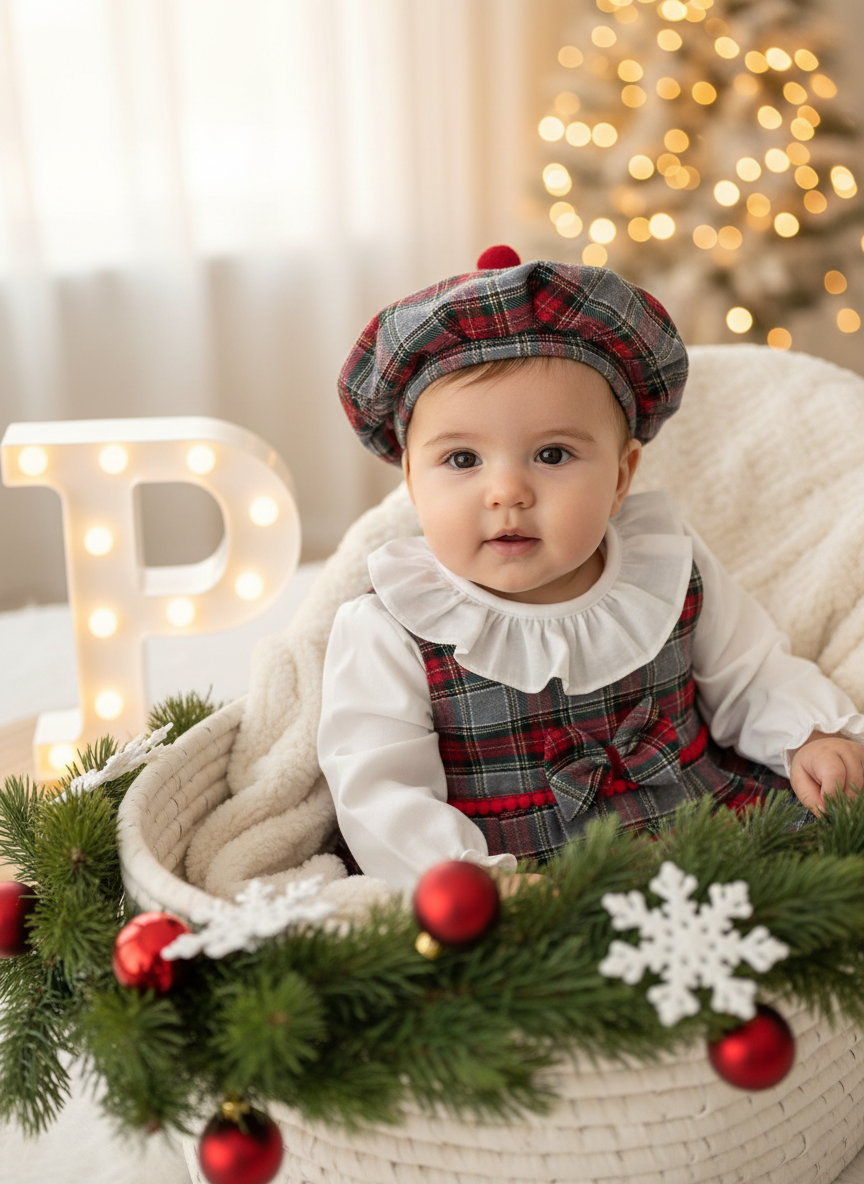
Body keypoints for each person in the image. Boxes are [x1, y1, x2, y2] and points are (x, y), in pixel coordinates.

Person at [317, 249, 864, 891]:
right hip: (529, 878)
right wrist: (470, 886)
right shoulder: (393, 625)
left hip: (708, 828)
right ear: (412, 480)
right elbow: (381, 792)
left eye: (552, 454)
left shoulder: (665, 567)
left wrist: (810, 736)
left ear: (621, 476)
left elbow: (751, 673)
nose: (507, 492)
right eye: (463, 460)